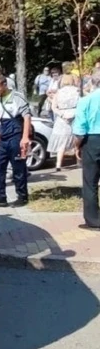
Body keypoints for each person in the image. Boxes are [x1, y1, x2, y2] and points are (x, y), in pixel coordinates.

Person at [0, 75, 32, 207]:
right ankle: (0, 196)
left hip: (16, 135)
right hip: (3, 135)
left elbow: (27, 117)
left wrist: (25, 137)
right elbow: (0, 119)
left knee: (18, 167)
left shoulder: (17, 97)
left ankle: (22, 197)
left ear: (5, 85)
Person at [72, 70, 100, 230]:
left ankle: (93, 219)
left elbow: (80, 129)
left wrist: (77, 146)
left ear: (93, 82)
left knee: (90, 182)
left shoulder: (86, 101)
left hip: (92, 140)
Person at [48, 74, 80, 171]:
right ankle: (79, 161)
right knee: (77, 140)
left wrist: (62, 114)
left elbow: (54, 107)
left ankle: (58, 165)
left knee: (61, 143)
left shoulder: (59, 92)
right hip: (75, 115)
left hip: (62, 117)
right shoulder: (77, 91)